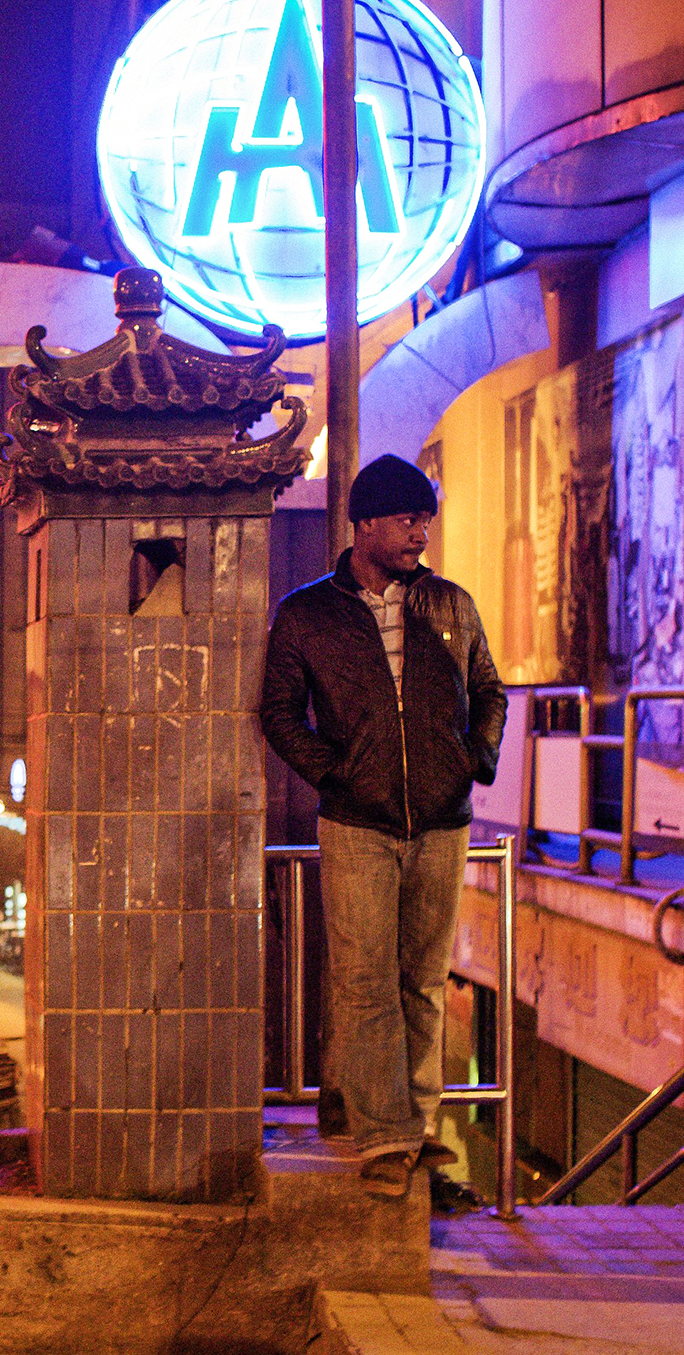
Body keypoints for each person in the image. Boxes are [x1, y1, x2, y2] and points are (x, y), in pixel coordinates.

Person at [260, 455, 507, 1198]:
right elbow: (279, 712)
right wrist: (336, 773)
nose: (420, 533)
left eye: (425, 519)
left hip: (442, 821)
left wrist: (474, 761)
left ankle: (418, 1126)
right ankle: (384, 1136)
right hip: (357, 823)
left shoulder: (451, 604)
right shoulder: (307, 614)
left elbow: (490, 690)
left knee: (422, 982)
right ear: (364, 525)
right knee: (365, 982)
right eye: (406, 519)